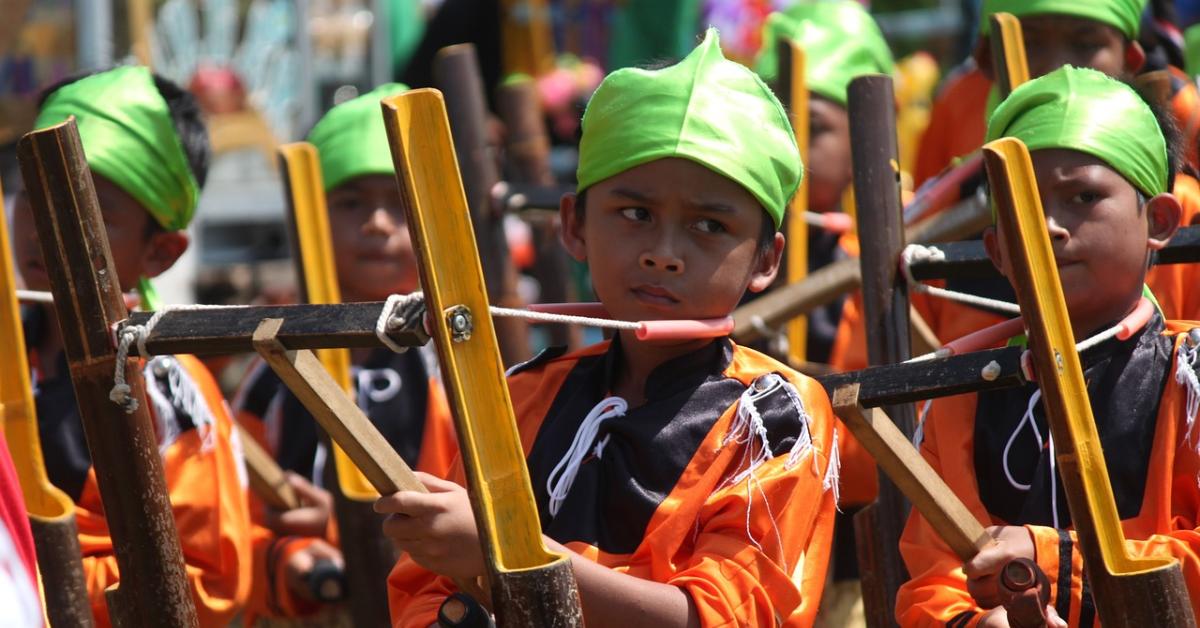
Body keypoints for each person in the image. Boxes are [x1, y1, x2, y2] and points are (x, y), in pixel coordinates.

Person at [381, 29, 839, 626]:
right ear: (574, 227)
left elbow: (716, 617)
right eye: (636, 214)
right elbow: (422, 590)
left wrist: (508, 552)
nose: (664, 253)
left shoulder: (775, 417)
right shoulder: (518, 397)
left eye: (709, 226)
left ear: (765, 260)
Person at [898, 66, 1200, 626]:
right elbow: (932, 581)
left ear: (1158, 220)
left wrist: (1060, 563)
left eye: (1084, 196)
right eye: (1024, 205)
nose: (1051, 227)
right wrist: (975, 621)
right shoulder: (960, 397)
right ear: (996, 250)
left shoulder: (1192, 380)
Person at [11, 66, 251, 626]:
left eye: (85, 208)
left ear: (160, 251)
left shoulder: (169, 389)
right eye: (31, 192)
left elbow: (210, 583)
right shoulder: (9, 347)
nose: (44, 225)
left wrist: (30, 582)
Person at [232, 83, 457, 620]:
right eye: (351, 203)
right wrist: (288, 554)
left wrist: (344, 522)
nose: (376, 224)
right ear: (311, 217)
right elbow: (239, 507)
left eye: (397, 205)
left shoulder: (449, 362)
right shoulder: (273, 365)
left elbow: (464, 506)